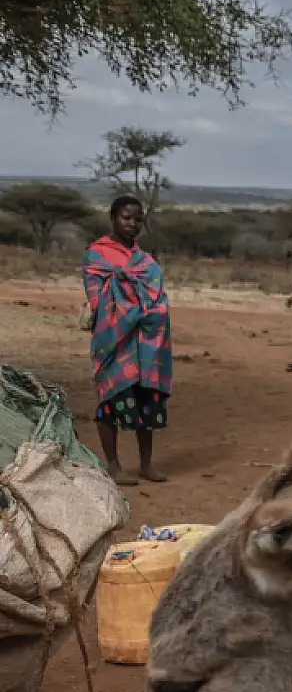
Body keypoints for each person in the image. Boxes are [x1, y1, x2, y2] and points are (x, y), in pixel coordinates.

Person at [83, 196, 172, 485]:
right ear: (113, 218)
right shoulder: (97, 255)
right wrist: (131, 306)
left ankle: (146, 464)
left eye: (137, 219)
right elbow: (97, 299)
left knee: (146, 397)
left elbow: (159, 297)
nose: (132, 224)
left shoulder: (146, 262)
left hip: (146, 340)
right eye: (126, 218)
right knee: (112, 398)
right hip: (114, 339)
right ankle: (113, 465)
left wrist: (148, 310)